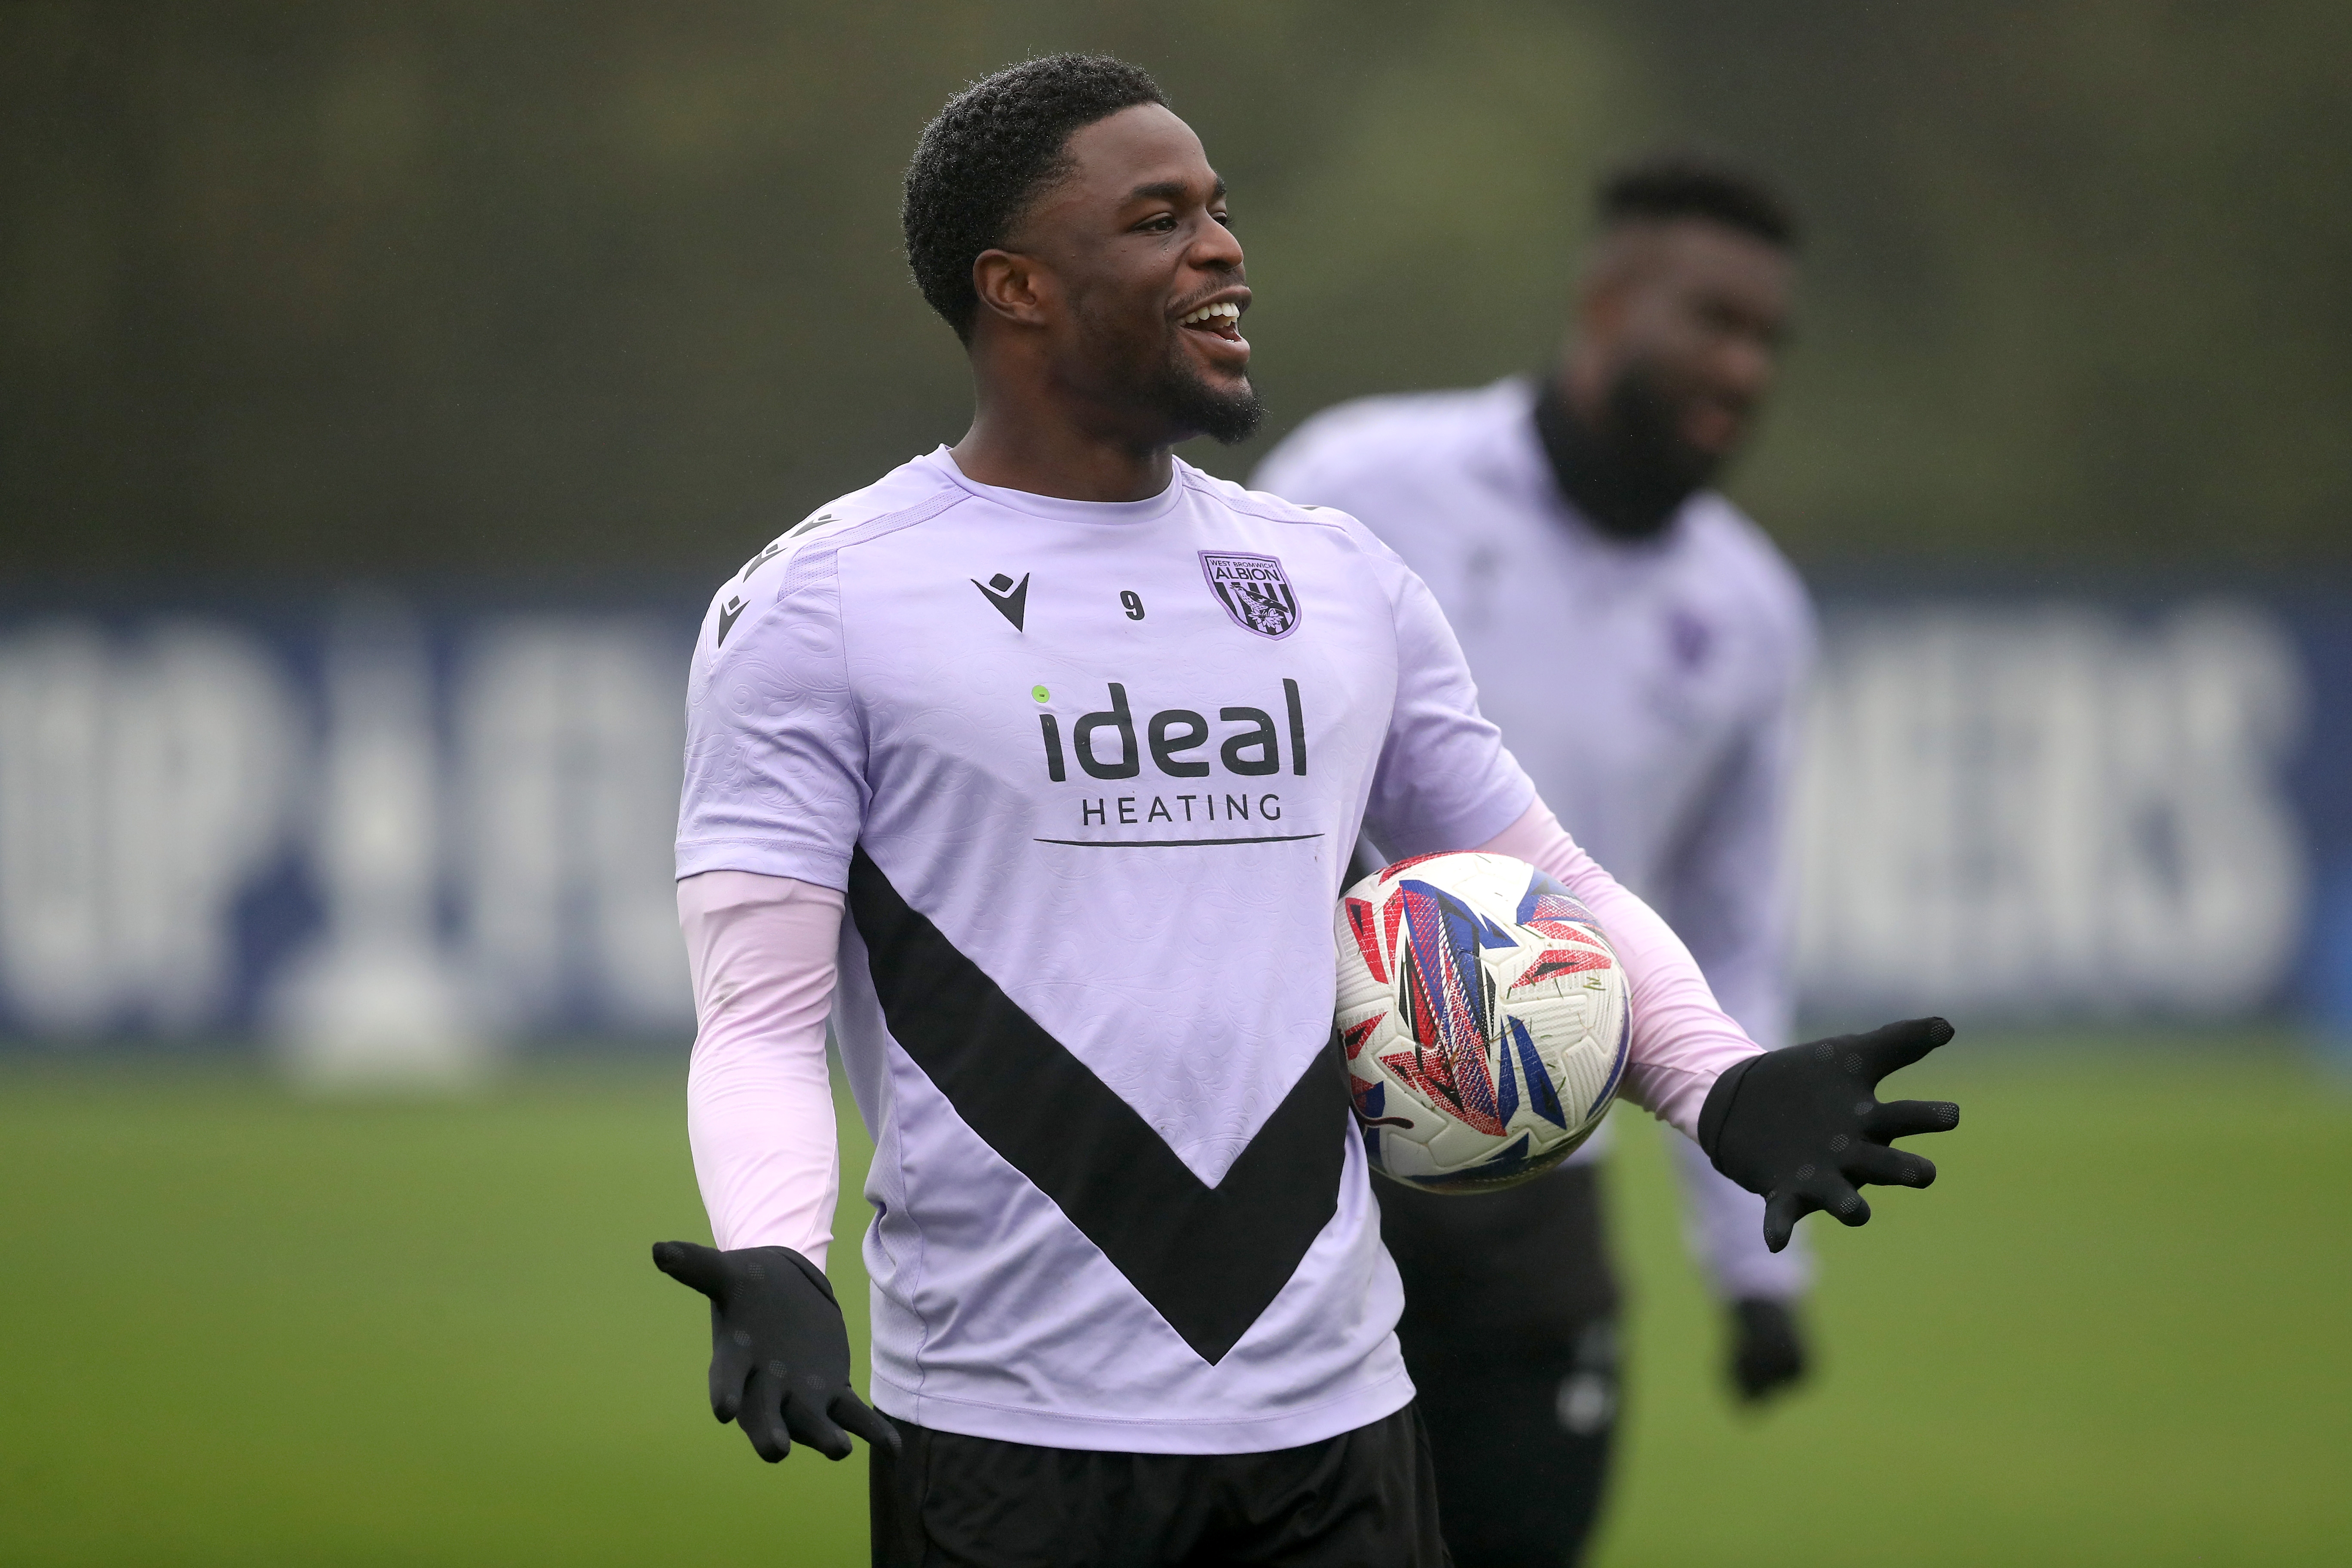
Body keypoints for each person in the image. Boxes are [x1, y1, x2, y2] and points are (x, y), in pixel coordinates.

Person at [652, 57, 1958, 1568]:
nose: (1222, 248)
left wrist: (1716, 1085)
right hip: (1012, 1441)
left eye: (1218, 209)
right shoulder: (820, 604)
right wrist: (775, 1257)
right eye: (1158, 220)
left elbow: (1539, 874)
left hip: (1338, 1432)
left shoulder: (1335, 578)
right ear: (1014, 286)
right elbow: (756, 1019)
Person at [1253, 153, 1817, 1565]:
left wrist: (1754, 1266)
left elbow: (1728, 927)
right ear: (1607, 300)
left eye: (1767, 340)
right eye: (1712, 320)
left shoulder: (1750, 613)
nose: (1742, 367)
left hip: (1537, 1183)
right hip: (1306, 1162)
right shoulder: (1360, 484)